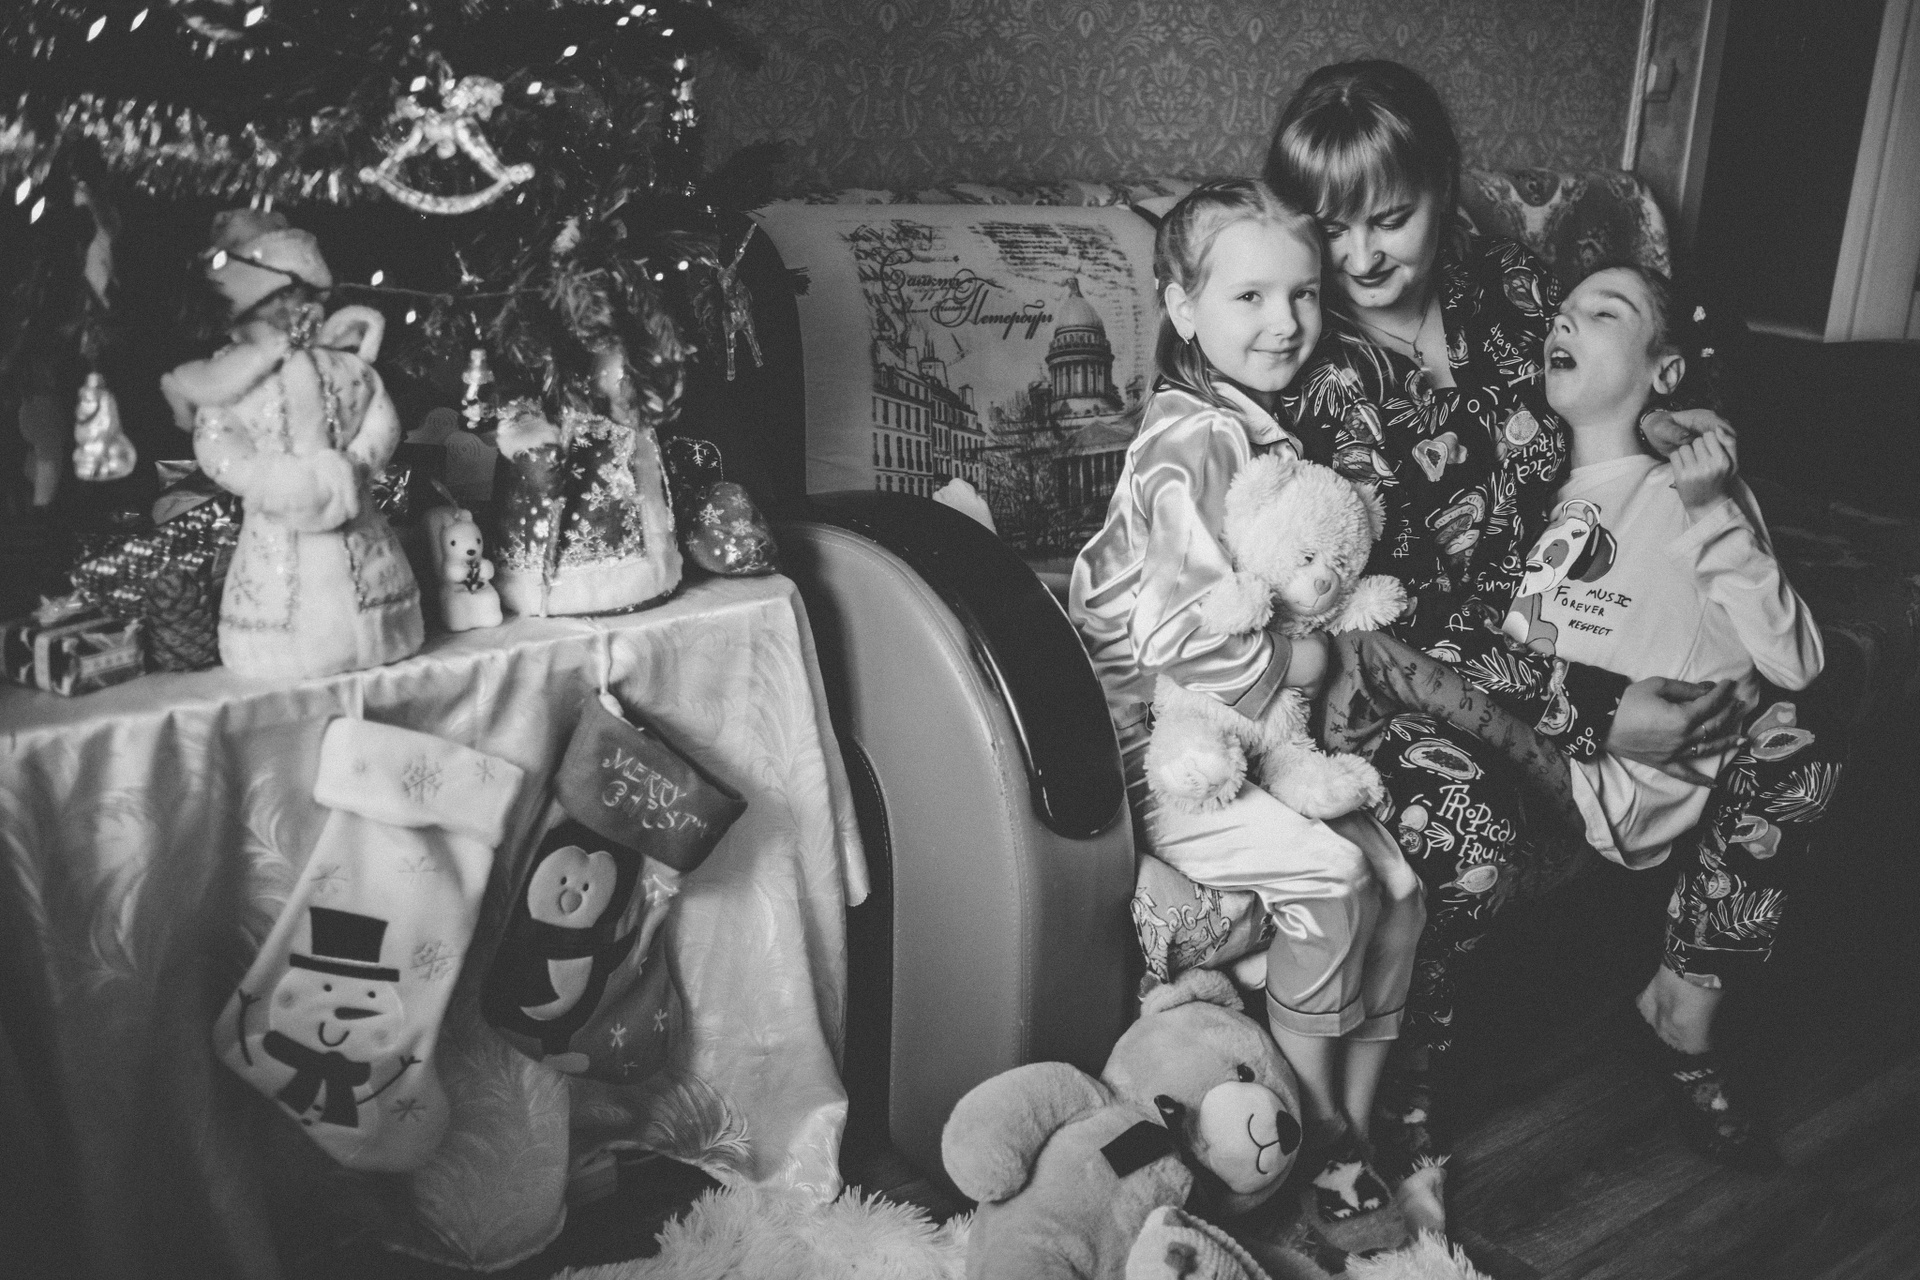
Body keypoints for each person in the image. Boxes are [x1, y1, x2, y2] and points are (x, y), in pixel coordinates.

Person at [1261, 59, 1764, 1172]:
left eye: (1390, 219)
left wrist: (1664, 427)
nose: (1358, 258)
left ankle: (1683, 1001)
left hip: (1580, 604)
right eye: (1330, 229)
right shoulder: (1310, 365)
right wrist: (1598, 709)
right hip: (1412, 668)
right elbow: (1377, 615)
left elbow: (1610, 394)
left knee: (1780, 718)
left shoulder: (1517, 287)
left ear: (1445, 184)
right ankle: (1406, 1091)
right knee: (1471, 831)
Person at [1069, 178, 1423, 1225]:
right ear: (1183, 307)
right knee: (1336, 875)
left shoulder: (1254, 423)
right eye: (1250, 297)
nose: (1286, 321)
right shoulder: (1194, 439)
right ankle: (1319, 1140)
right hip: (1160, 748)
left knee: (1401, 884)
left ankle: (1354, 1124)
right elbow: (1172, 636)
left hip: (1258, 733)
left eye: (1303, 293)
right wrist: (1305, 665)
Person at [1507, 262, 1839, 1167]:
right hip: (1552, 762)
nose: (1565, 322)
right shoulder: (1520, 493)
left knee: (1805, 740)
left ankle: (1679, 1012)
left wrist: (1709, 503)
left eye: (1603, 312)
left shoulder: (1692, 490)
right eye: (1561, 312)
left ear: (1667, 370)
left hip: (1668, 780)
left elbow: (1797, 661)